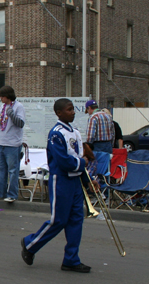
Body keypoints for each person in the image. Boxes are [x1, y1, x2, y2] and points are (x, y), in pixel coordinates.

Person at [20, 98, 94, 273]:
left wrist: (87, 179)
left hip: (75, 180)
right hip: (61, 180)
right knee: (58, 220)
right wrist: (82, 163)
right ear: (59, 113)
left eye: (73, 109)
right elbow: (64, 161)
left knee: (76, 219)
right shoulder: (56, 133)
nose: (73, 112)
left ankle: (71, 259)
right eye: (69, 110)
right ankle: (30, 243)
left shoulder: (75, 132)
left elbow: (79, 155)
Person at [0, 85, 25, 203]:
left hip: (13, 143)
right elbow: (2, 125)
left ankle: (12, 195)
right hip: (1, 142)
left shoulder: (18, 106)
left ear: (7, 96)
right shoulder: (2, 107)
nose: (0, 99)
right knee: (0, 169)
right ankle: (0, 193)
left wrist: (11, 113)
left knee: (13, 170)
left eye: (2, 96)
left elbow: (20, 123)